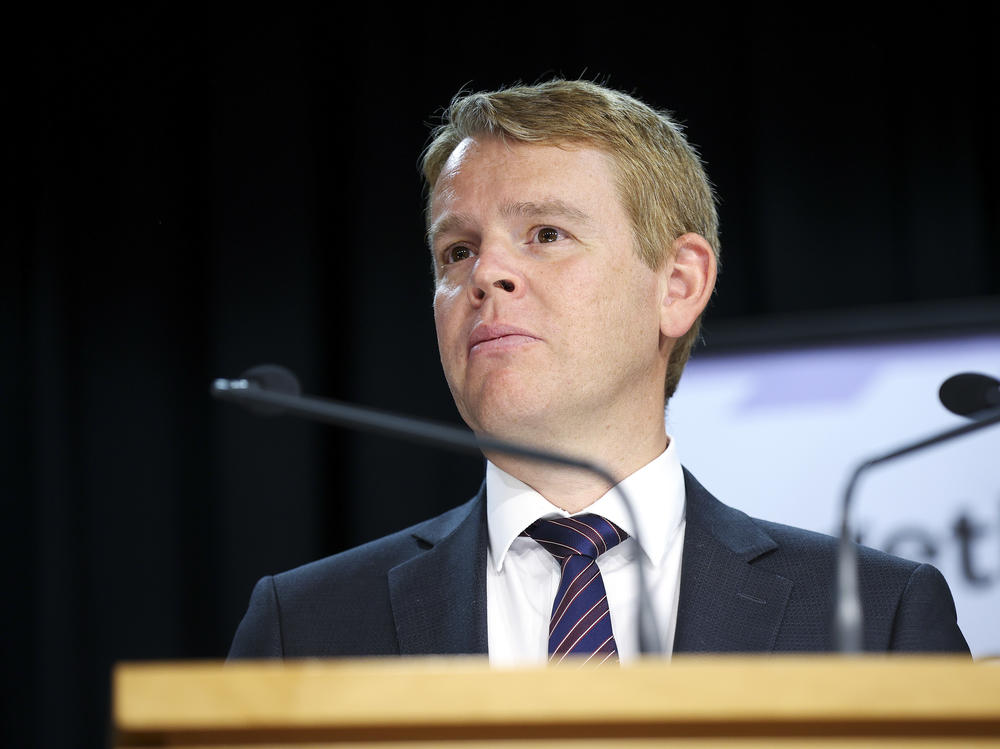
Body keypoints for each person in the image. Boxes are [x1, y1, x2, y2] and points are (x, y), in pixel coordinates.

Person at [229, 79, 968, 662]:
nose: (486, 273)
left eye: (545, 234)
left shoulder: (882, 614)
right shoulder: (306, 625)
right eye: (456, 250)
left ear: (677, 285)